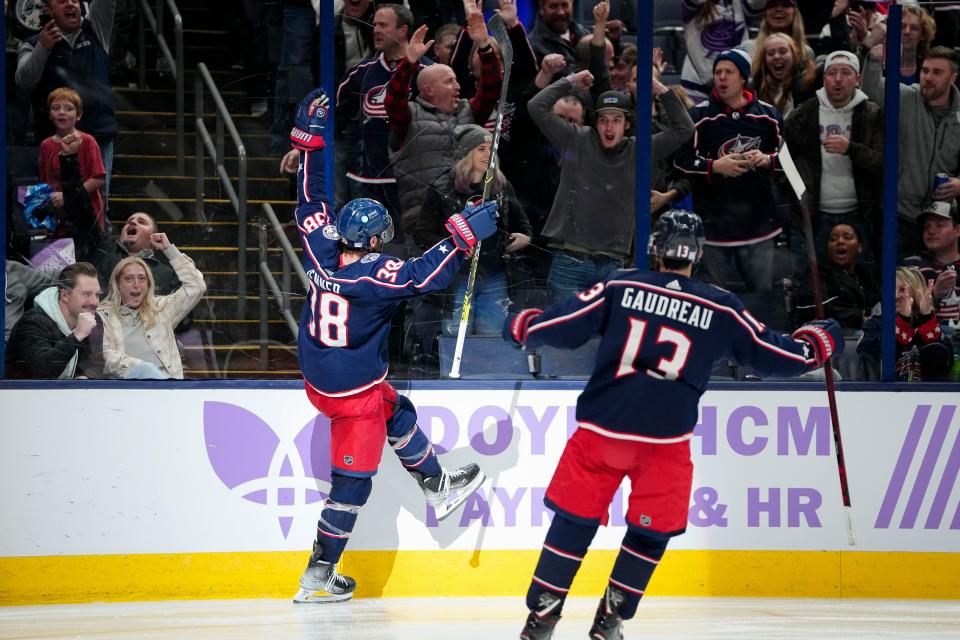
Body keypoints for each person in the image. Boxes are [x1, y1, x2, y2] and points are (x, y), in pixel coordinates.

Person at [503, 209, 843, 640]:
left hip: (602, 431)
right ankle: (611, 620)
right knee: (650, 532)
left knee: (574, 522)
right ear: (697, 254)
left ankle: (543, 618)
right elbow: (774, 355)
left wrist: (522, 327)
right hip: (665, 441)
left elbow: (564, 325)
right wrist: (817, 342)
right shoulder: (721, 306)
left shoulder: (622, 285)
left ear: (655, 249)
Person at [289, 88, 497, 603]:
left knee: (397, 408)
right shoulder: (376, 277)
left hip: (321, 379)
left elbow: (310, 200)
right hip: (351, 394)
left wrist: (311, 142)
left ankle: (435, 483)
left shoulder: (320, 251)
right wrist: (464, 235)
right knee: (351, 485)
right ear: (378, 240)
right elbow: (426, 275)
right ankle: (319, 570)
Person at [531, 70, 694, 301]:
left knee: (610, 336)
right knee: (564, 334)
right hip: (569, 260)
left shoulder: (639, 149)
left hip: (613, 264)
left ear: (627, 124)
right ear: (595, 122)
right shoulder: (576, 138)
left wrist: (660, 89)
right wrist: (571, 81)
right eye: (603, 120)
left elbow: (685, 129)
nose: (609, 128)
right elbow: (536, 106)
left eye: (617, 120)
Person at [386, 13, 501, 257]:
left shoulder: (470, 112)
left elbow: (491, 88)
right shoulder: (409, 117)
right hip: (424, 229)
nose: (458, 86)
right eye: (449, 81)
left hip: (471, 223)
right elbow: (392, 99)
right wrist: (409, 61)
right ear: (428, 90)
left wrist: (483, 46)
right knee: (428, 294)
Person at [674, 49, 785, 296]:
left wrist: (768, 160)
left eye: (728, 72)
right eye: (717, 72)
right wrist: (715, 166)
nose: (721, 77)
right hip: (714, 230)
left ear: (743, 78)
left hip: (759, 229)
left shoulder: (769, 117)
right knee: (713, 304)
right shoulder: (699, 116)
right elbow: (681, 162)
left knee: (762, 302)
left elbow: (790, 163)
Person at [415, 124, 533, 336]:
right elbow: (422, 234)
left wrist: (523, 237)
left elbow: (522, 224)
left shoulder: (501, 185)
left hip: (494, 274)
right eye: (481, 148)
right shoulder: (442, 186)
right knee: (455, 339)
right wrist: (452, 246)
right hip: (457, 276)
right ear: (466, 153)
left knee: (493, 339)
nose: (488, 154)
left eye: (491, 149)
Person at [861, 45, 960, 257]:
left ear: (953, 77)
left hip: (939, 220)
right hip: (899, 214)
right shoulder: (907, 97)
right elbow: (872, 87)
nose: (928, 77)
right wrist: (874, 60)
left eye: (937, 72)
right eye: (925, 71)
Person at [784, 50, 883, 260]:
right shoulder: (803, 114)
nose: (838, 79)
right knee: (814, 285)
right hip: (814, 217)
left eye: (846, 73)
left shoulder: (872, 114)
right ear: (824, 79)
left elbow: (885, 163)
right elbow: (784, 163)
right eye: (832, 73)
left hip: (860, 214)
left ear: (858, 79)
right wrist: (799, 201)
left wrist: (851, 149)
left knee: (863, 281)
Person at [16, 0, 118, 191]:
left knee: (97, 206)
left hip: (98, 135)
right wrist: (43, 47)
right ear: (49, 9)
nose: (71, 4)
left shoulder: (96, 27)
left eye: (75, 0)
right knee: (58, 206)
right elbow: (23, 81)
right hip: (55, 141)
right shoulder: (31, 44)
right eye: (63, 1)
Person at [97, 234, 206, 379]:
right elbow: (105, 355)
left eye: (142, 278)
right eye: (128, 278)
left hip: (168, 390)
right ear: (117, 284)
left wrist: (169, 250)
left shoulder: (161, 308)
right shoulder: (103, 315)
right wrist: (144, 370)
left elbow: (196, 287)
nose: (136, 284)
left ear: (148, 285)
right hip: (127, 391)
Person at [5, 261, 102, 379]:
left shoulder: (93, 319)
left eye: (97, 295)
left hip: (66, 395)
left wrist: (85, 376)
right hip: (21, 394)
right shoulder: (33, 322)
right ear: (65, 295)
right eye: (86, 294)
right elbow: (43, 371)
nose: (94, 302)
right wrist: (77, 336)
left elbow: (97, 363)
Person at [859, 266, 954, 382]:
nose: (895, 296)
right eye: (891, 290)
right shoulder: (874, 325)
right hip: (883, 396)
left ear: (918, 293)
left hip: (927, 397)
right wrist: (903, 322)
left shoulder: (933, 328)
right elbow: (872, 355)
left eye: (902, 290)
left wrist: (926, 320)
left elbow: (941, 367)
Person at [785, 223, 879, 331]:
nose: (840, 241)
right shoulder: (818, 274)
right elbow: (814, 308)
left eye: (847, 237)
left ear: (860, 247)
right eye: (833, 239)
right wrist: (859, 317)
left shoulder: (864, 276)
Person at [39, 87, 106, 234]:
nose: (61, 112)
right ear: (50, 114)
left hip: (87, 210)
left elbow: (98, 178)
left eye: (69, 108)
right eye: (56, 108)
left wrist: (68, 197)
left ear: (79, 115)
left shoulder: (88, 141)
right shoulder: (46, 145)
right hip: (59, 214)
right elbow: (45, 181)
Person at [680, 0, 765, 103]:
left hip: (733, 84)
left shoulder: (738, 4)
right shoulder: (695, 6)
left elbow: (757, 4)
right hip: (697, 85)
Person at [903, 200, 960, 328]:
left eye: (939, 225)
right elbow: (900, 313)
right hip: (926, 341)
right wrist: (934, 293)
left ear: (957, 230)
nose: (931, 231)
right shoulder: (912, 266)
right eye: (927, 226)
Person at [750, 32, 816, 118]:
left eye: (783, 52)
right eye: (771, 53)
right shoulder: (755, 87)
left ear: (794, 55)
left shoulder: (810, 84)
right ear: (764, 60)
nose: (776, 56)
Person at [527, 0, 589, 68]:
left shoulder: (584, 34)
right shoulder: (532, 47)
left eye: (565, 5)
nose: (560, 12)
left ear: (572, 6)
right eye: (553, 6)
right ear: (541, 9)